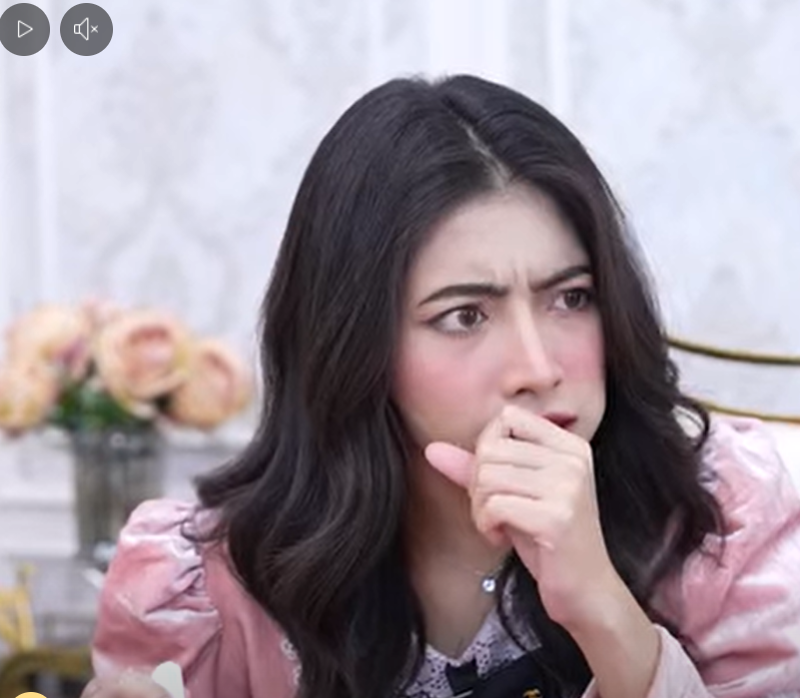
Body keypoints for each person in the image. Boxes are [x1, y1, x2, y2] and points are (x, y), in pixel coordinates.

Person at [80, 75, 800, 698]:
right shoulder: (205, 587)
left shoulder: (725, 524)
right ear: (356, 344)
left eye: (571, 298)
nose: (537, 366)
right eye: (465, 316)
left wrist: (601, 610)